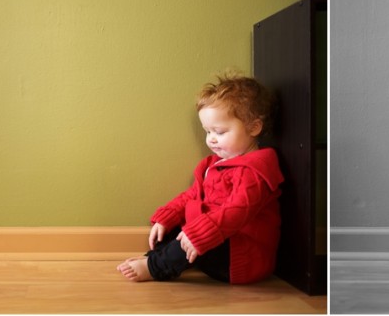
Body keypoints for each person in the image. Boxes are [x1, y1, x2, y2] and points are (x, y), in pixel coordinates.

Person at [117, 73, 283, 284]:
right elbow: (193, 195)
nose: (211, 139)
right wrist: (167, 217)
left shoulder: (255, 171)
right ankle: (159, 258)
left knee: (193, 233)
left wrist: (199, 233)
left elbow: (236, 212)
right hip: (216, 240)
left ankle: (155, 266)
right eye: (207, 132)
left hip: (241, 257)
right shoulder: (214, 164)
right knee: (171, 229)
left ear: (254, 127)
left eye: (220, 132)